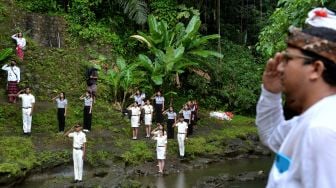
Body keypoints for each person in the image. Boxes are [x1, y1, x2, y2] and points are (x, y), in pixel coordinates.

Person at [256, 7, 336, 187]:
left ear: (316, 69)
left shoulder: (321, 131)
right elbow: (271, 136)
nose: (280, 68)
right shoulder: (314, 118)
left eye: (289, 59)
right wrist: (270, 93)